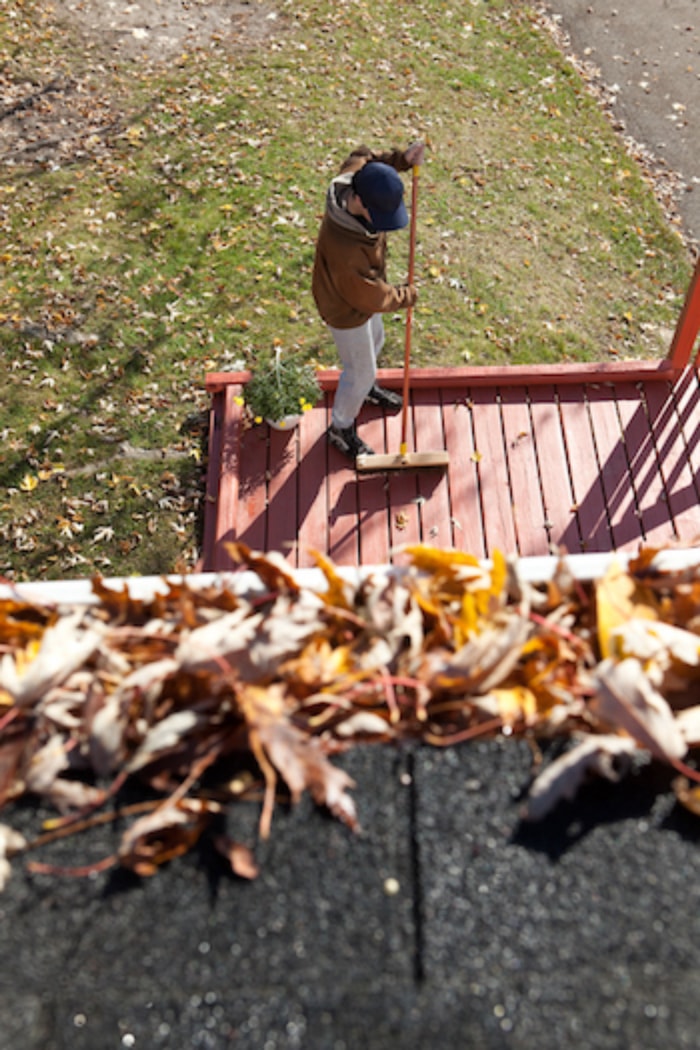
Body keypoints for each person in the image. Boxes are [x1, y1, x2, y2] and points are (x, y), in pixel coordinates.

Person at [312, 141, 425, 461]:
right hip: (345, 309)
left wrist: (401, 159)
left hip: (363, 298)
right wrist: (406, 296)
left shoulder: (354, 177)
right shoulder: (345, 251)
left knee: (377, 339)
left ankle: (367, 387)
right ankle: (340, 426)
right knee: (358, 371)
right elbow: (372, 295)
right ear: (359, 201)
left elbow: (368, 157)